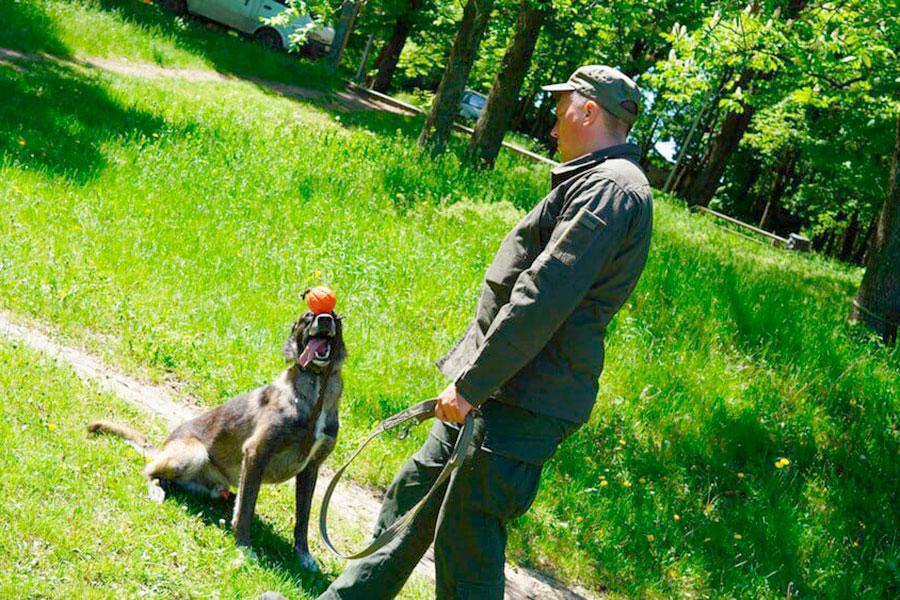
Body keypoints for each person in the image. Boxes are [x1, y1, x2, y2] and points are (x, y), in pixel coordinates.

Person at [266, 64, 653, 600]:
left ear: (589, 110)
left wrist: (471, 385)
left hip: (519, 399)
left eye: (562, 105)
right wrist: (473, 384)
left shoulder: (610, 190)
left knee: (466, 538)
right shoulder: (594, 180)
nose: (553, 120)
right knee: (411, 500)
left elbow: (541, 299)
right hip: (492, 388)